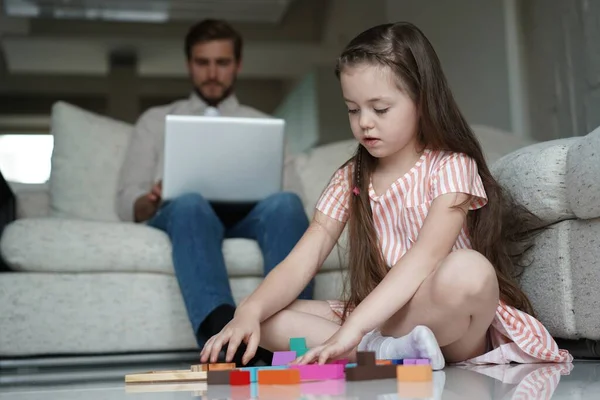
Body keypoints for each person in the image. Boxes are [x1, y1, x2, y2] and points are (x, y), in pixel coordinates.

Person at [199, 21, 573, 369]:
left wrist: (354, 329)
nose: (364, 122)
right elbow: (304, 257)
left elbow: (424, 258)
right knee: (267, 317)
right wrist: (247, 312)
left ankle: (370, 349)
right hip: (384, 320)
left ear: (421, 101)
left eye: (380, 109)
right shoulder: (351, 177)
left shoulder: (452, 166)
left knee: (470, 271)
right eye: (352, 109)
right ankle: (386, 352)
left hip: (450, 325)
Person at [116, 19, 313, 367]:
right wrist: (150, 200)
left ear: (236, 65)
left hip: (250, 214)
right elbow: (126, 200)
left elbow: (293, 196)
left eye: (222, 63)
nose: (212, 73)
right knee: (190, 202)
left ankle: (291, 339)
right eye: (202, 62)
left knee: (285, 204)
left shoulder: (263, 124)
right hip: (186, 214)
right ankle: (226, 341)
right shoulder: (155, 120)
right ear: (189, 64)